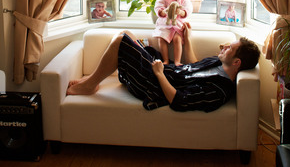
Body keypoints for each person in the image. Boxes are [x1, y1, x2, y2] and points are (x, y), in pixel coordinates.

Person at [67, 24, 260, 113]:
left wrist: (159, 74)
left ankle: (89, 85)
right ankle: (91, 79)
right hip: (161, 71)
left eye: (230, 49)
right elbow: (192, 65)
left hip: (155, 85)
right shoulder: (218, 63)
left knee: (120, 41)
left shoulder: (218, 91)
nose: (224, 47)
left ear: (237, 63)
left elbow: (179, 101)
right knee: (125, 33)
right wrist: (187, 39)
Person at [153, 0, 193, 65]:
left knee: (177, 39)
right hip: (165, 23)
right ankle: (165, 60)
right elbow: (158, 7)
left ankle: (177, 61)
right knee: (161, 39)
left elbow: (188, 9)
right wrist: (163, 12)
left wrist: (181, 12)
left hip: (177, 23)